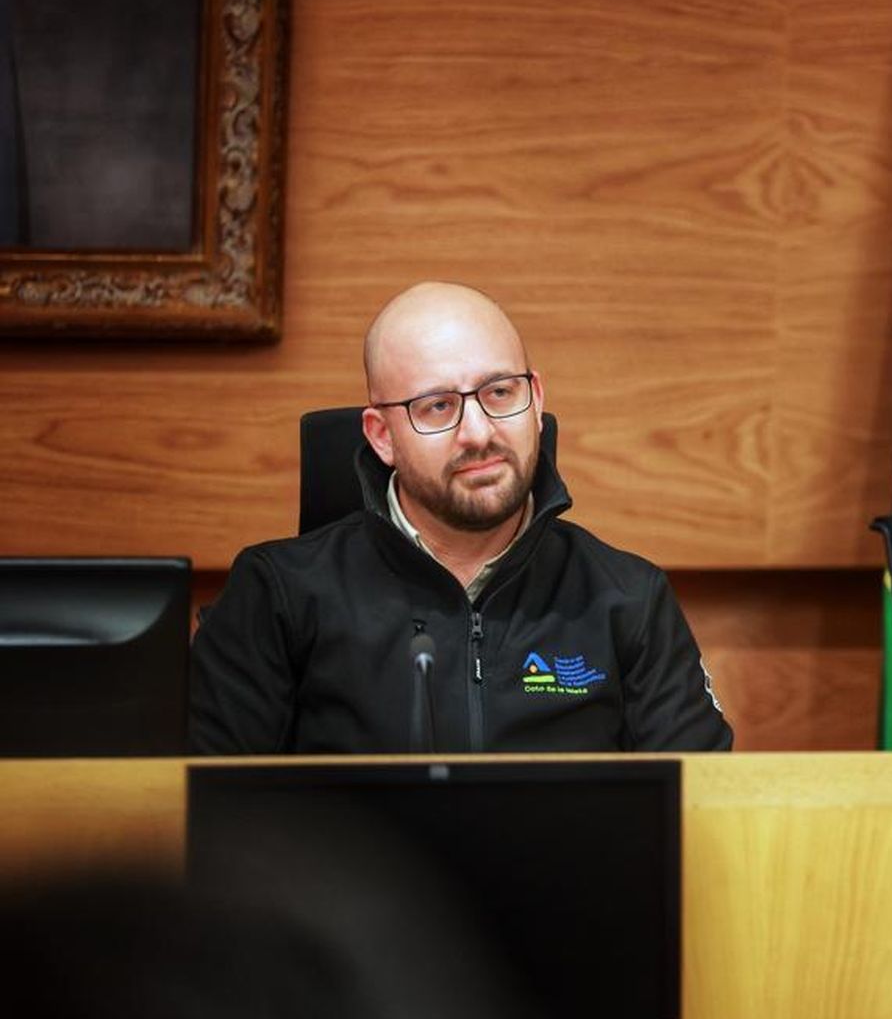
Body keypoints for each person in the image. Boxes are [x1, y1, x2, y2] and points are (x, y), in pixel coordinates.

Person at [191, 281, 732, 753]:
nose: (479, 432)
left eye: (500, 392)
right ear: (382, 436)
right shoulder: (278, 595)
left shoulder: (629, 599)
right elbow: (194, 811)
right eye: (437, 406)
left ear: (536, 400)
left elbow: (705, 808)